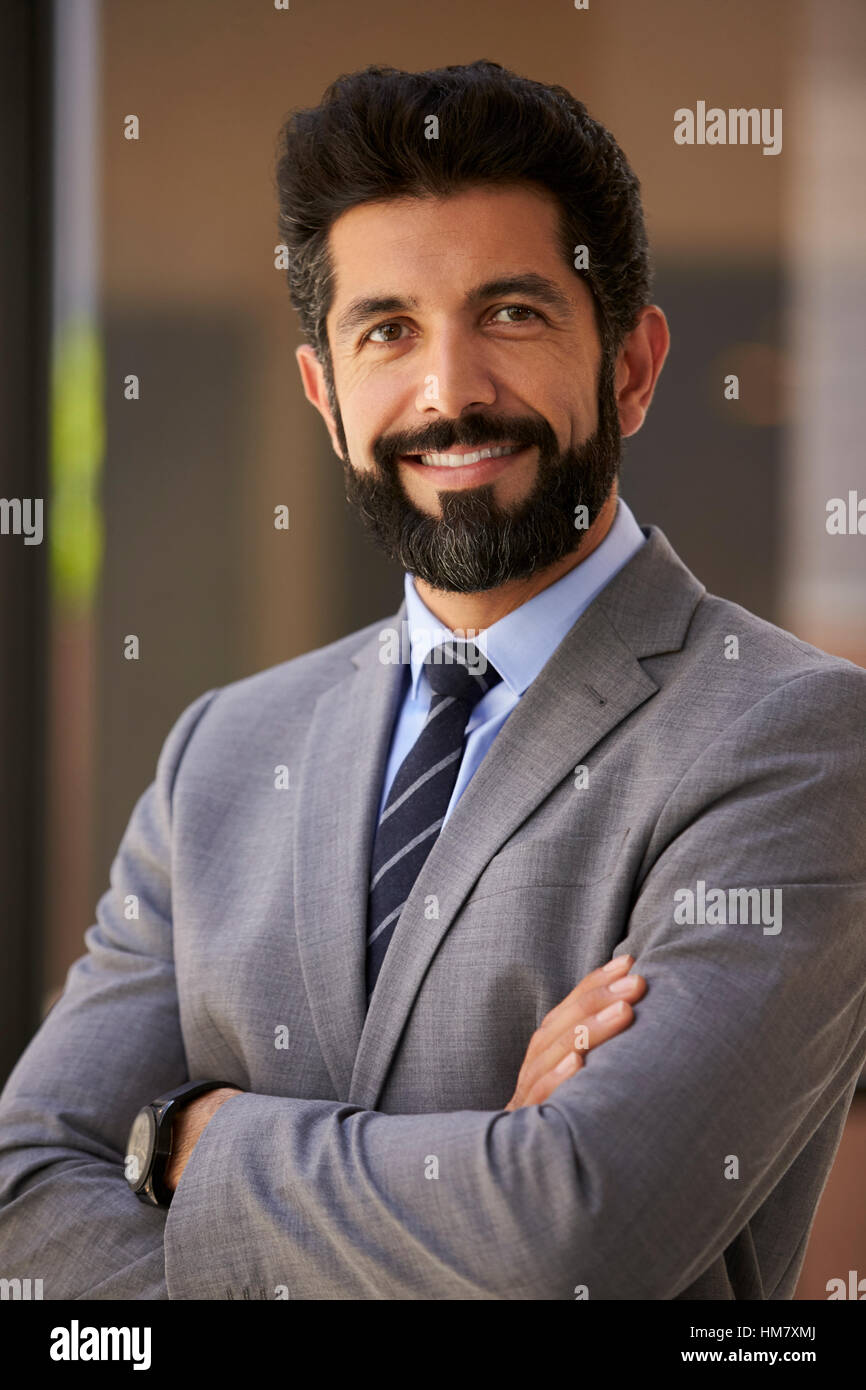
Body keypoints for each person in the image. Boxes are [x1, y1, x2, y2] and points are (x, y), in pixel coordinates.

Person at [1, 59, 864, 1301]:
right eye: (386, 330)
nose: (449, 391)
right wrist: (484, 1167)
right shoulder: (225, 753)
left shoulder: (789, 738)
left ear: (627, 365)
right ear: (326, 394)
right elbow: (26, 1196)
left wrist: (190, 1138)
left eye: (511, 313)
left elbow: (573, 1238)